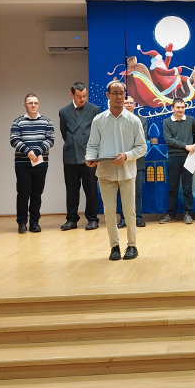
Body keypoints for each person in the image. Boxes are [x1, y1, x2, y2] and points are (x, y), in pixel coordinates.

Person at [86, 80, 147, 261]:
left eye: (122, 93)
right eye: (115, 93)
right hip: (105, 173)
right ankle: (114, 246)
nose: (119, 97)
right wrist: (90, 158)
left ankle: (132, 246)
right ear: (108, 95)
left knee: (129, 211)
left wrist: (127, 155)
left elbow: (142, 147)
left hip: (127, 172)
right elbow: (92, 145)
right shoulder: (98, 120)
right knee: (109, 212)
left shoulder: (134, 120)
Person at [10, 93, 55, 234]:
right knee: (23, 193)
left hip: (40, 163)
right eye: (30, 103)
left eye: (36, 103)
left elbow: (50, 140)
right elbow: (14, 140)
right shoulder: (18, 122)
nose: (33, 105)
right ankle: (22, 223)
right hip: (22, 163)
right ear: (25, 105)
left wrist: (37, 151)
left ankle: (35, 223)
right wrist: (28, 151)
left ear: (38, 105)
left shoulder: (47, 122)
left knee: (37, 193)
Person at [59, 82, 101, 231]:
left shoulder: (94, 110)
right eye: (79, 96)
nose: (82, 99)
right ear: (72, 95)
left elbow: (98, 133)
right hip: (70, 155)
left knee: (91, 189)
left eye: (84, 96)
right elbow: (64, 134)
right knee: (71, 190)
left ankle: (93, 219)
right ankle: (71, 219)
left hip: (89, 155)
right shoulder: (64, 111)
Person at [160, 98, 195, 224]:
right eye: (178, 107)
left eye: (183, 107)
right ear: (172, 108)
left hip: (189, 157)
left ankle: (188, 213)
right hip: (174, 157)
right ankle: (170, 214)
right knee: (172, 187)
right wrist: (185, 146)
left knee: (187, 187)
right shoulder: (166, 122)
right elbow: (169, 139)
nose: (180, 110)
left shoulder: (190, 120)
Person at [119, 95, 148, 228]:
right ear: (123, 104)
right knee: (122, 191)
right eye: (126, 103)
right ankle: (123, 219)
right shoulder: (117, 120)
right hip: (121, 160)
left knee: (138, 191)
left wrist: (129, 151)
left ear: (135, 105)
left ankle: (138, 218)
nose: (129, 105)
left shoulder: (142, 120)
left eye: (131, 103)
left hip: (138, 160)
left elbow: (142, 139)